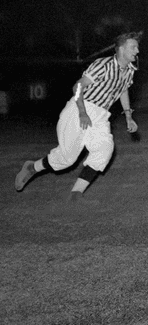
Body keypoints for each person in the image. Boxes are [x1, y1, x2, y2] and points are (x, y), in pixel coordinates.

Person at [16, 32, 141, 200]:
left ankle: (76, 195)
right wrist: (82, 112)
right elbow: (78, 88)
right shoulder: (103, 65)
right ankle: (32, 167)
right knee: (66, 159)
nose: (137, 50)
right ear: (120, 49)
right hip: (80, 107)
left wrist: (128, 116)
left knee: (104, 149)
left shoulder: (129, 71)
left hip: (102, 115)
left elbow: (123, 89)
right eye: (133, 47)